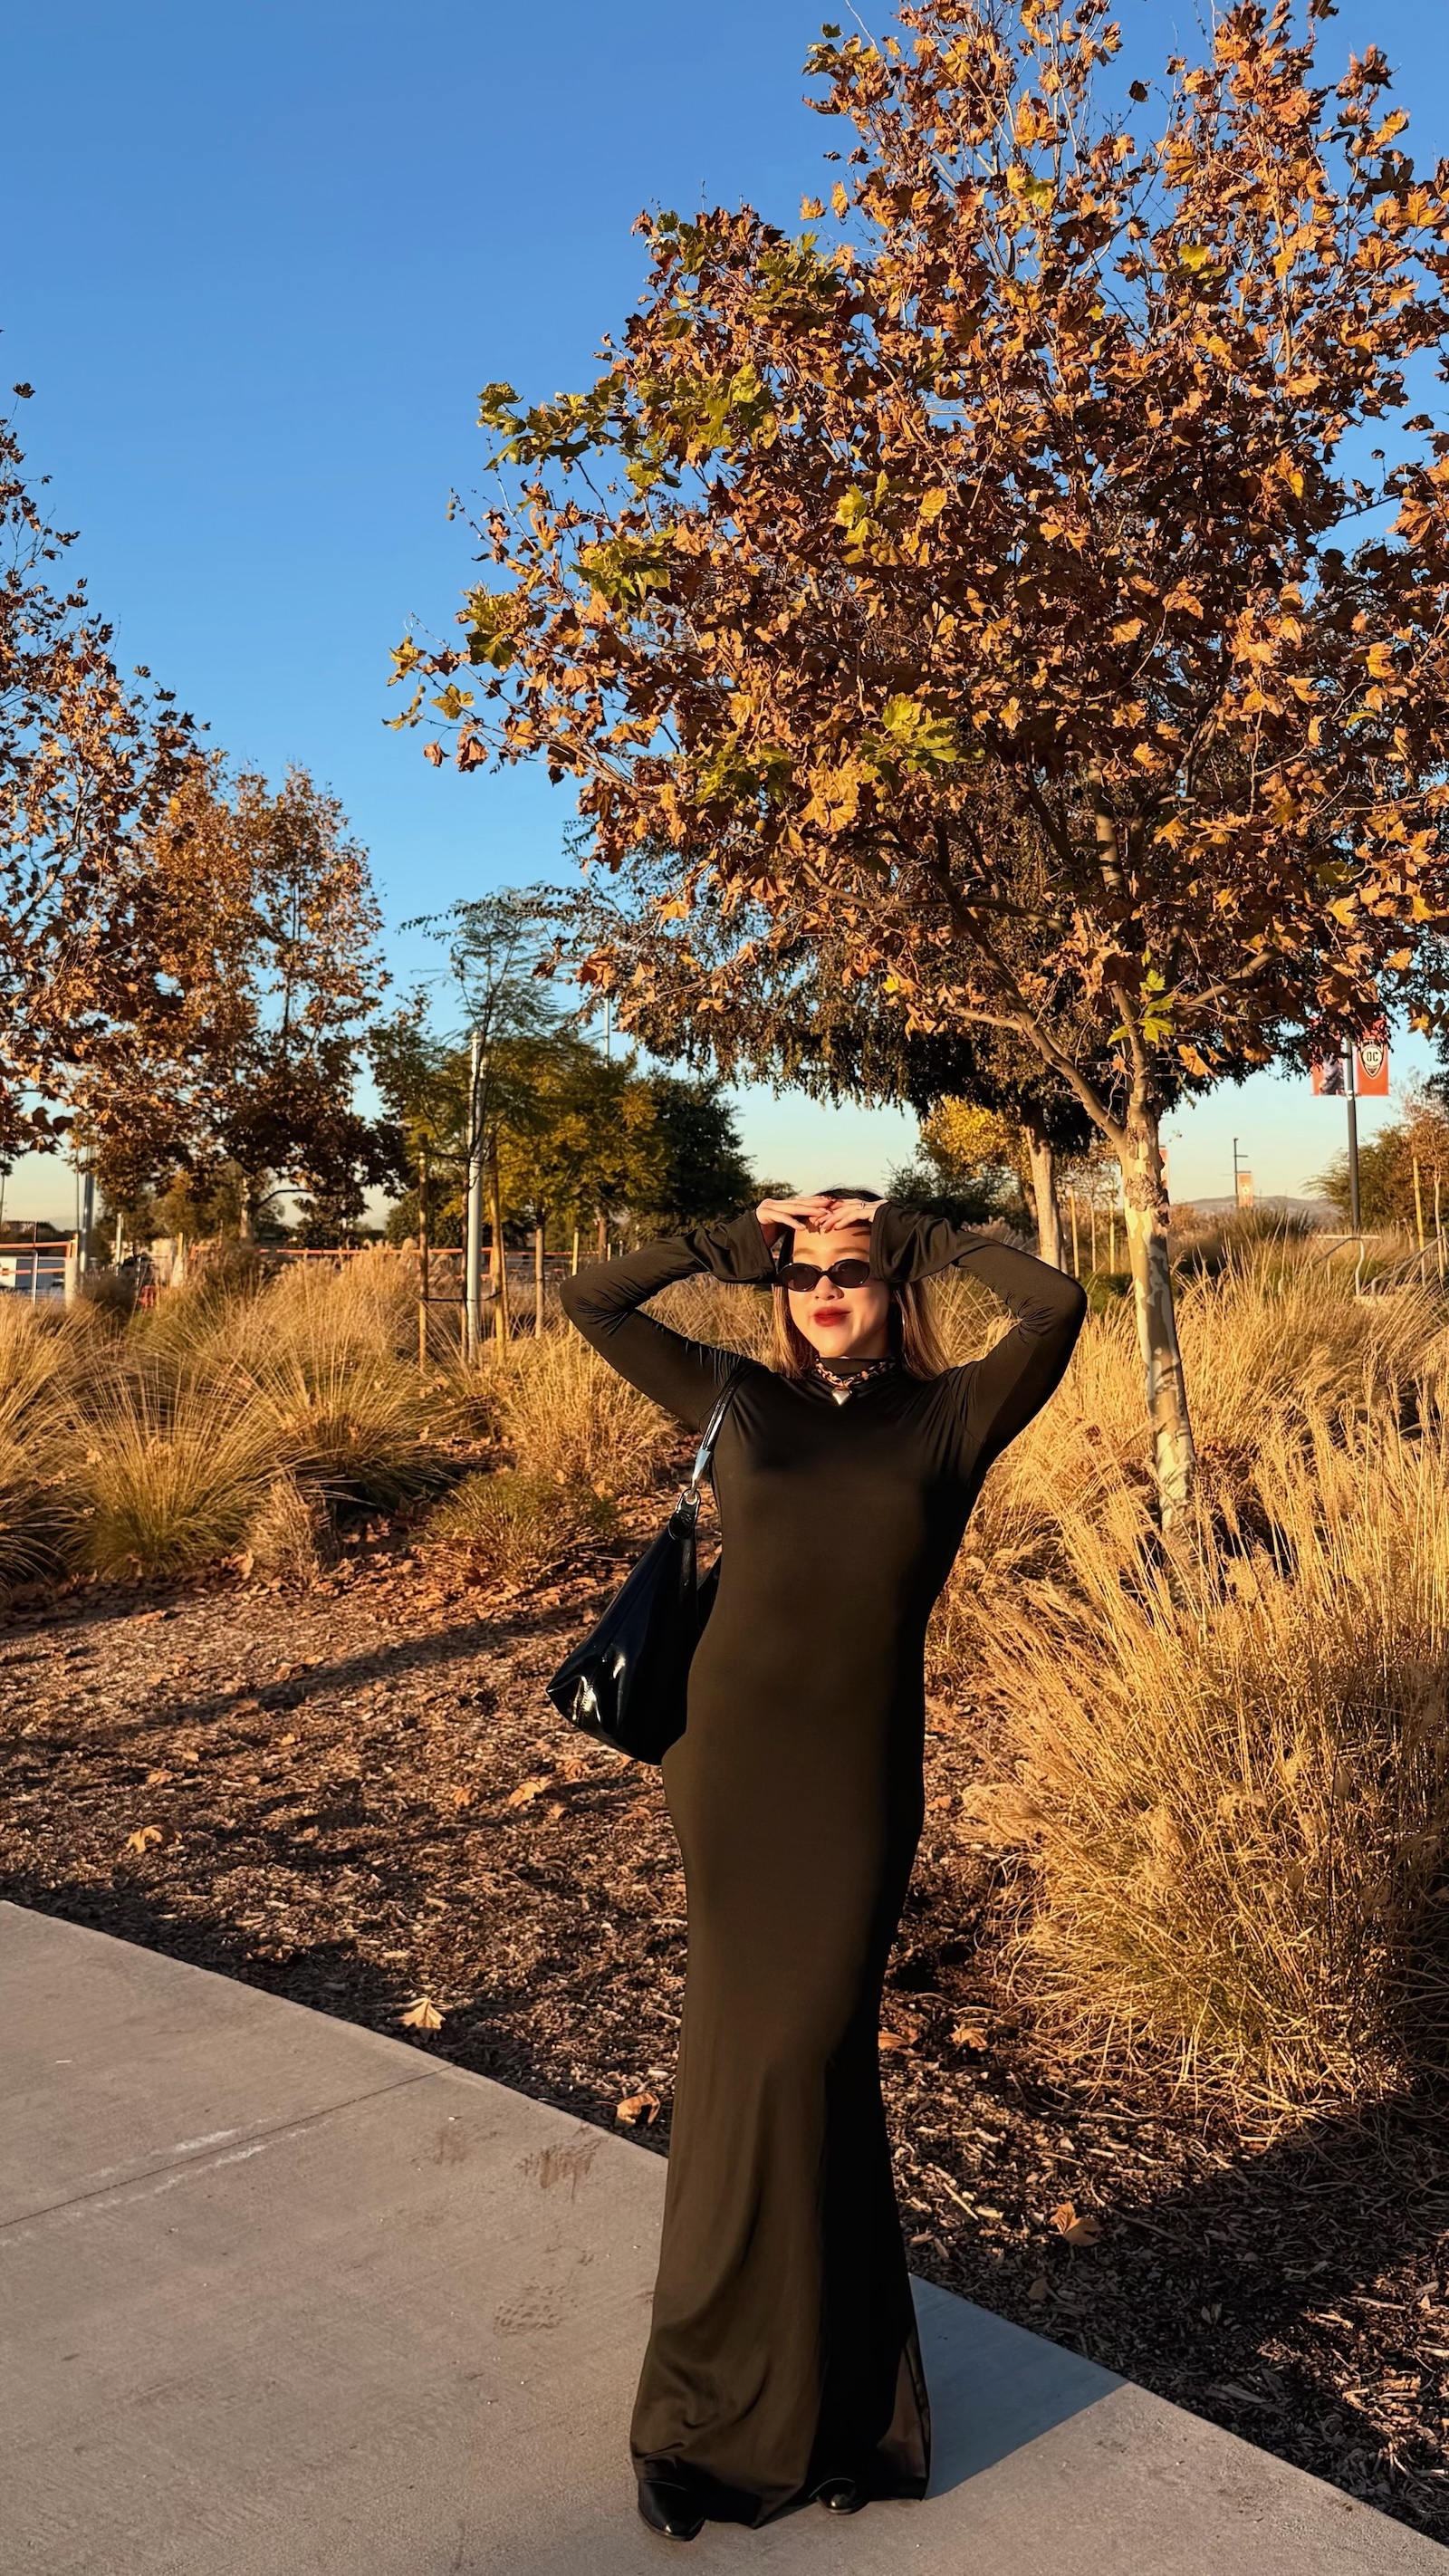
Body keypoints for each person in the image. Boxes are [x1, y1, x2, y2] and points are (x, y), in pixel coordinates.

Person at [559, 1187, 1087, 2542]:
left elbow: (1055, 1306)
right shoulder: (738, 1399)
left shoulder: (954, 1417)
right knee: (749, 2066)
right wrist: (735, 1240)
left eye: (853, 1269)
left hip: (854, 1779)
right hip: (731, 1759)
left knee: (817, 2062)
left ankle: (846, 2415)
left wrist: (916, 1229)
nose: (827, 1290)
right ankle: (693, 2424)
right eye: (804, 1276)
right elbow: (593, 1298)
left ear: (894, 1282)